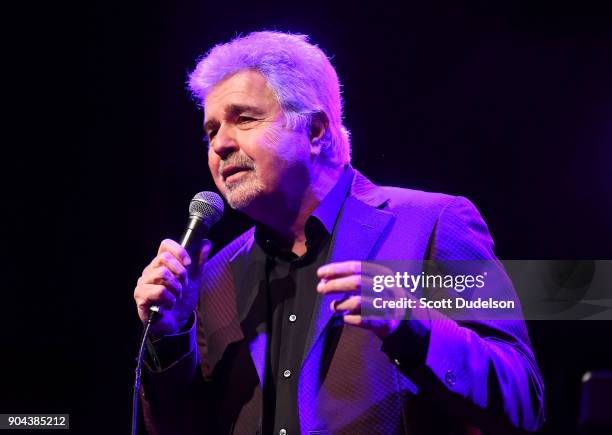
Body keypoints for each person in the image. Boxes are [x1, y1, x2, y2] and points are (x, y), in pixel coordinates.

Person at [134, 31, 545, 435]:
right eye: (210, 131)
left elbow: (523, 399)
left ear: (314, 131)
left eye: (243, 118)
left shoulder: (432, 223)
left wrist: (411, 322)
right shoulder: (216, 276)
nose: (220, 144)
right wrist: (170, 338)